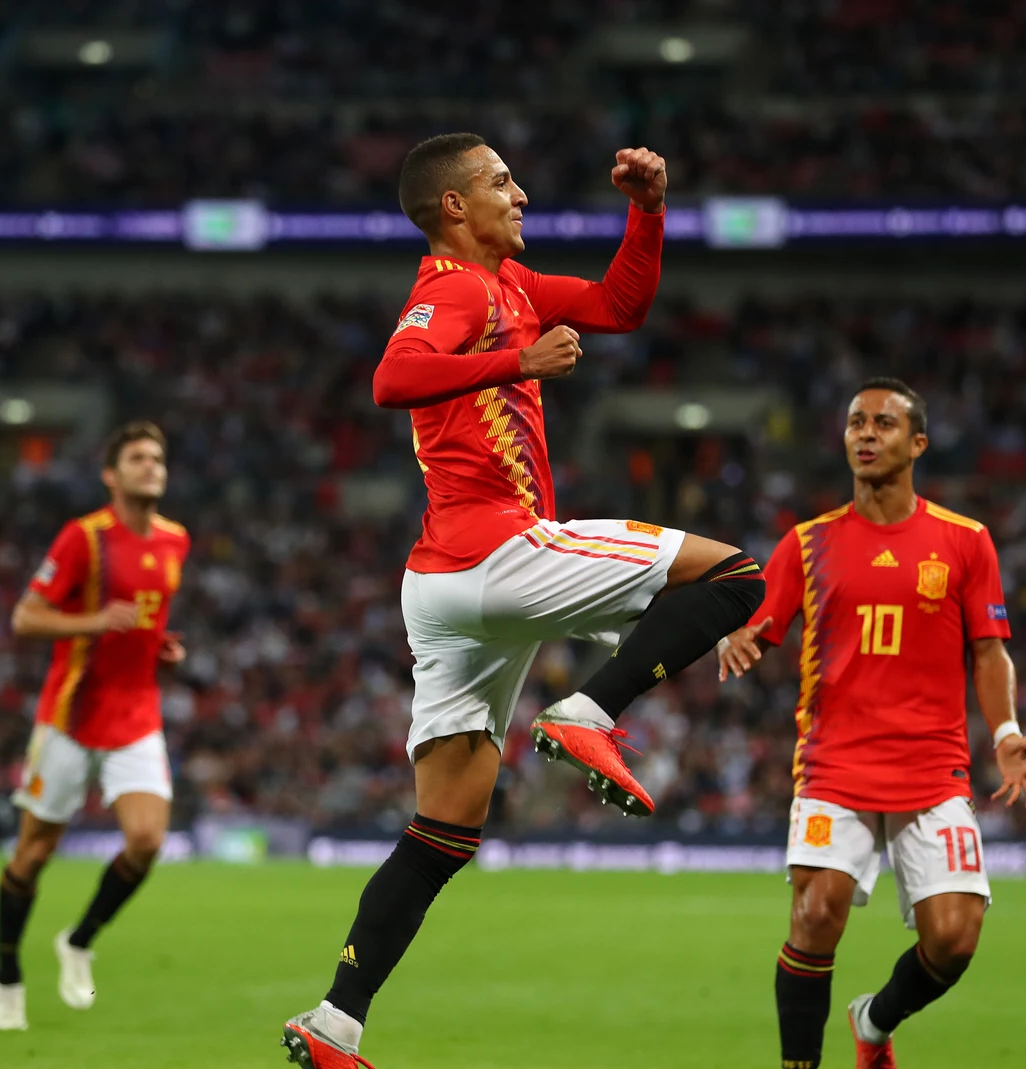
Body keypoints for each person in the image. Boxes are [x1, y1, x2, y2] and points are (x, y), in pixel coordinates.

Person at [280, 133, 765, 1068]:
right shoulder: (454, 287)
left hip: (444, 586)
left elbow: (622, 304)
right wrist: (518, 366)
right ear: (454, 206)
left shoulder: (515, 286)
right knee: (742, 573)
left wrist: (650, 209)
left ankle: (335, 1022)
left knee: (442, 833)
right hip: (497, 546)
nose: (524, 193)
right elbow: (392, 378)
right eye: (502, 182)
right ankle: (588, 709)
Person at [716, 379, 1026, 1069]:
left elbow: (989, 651)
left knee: (955, 937)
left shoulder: (965, 541)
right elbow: (758, 625)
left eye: (884, 424)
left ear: (917, 442)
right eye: (856, 423)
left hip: (933, 766)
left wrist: (1007, 732)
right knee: (815, 914)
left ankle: (874, 1020)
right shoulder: (808, 544)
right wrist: (734, 638)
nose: (866, 434)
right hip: (836, 763)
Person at [0, 421, 190, 1031]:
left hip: (136, 715)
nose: (151, 466)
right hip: (71, 717)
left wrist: (159, 647)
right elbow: (25, 618)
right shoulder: (84, 538)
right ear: (112, 475)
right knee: (32, 855)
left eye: (157, 457)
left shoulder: (176, 540)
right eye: (137, 458)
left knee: (148, 841)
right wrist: (95, 621)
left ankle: (78, 939)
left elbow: (143, 621)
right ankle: (6, 977)